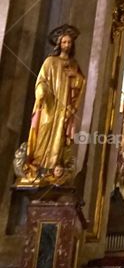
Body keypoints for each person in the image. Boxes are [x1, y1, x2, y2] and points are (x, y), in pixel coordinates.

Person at [17, 25, 86, 187]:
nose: (67, 45)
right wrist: (41, 91)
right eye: (64, 42)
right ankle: (38, 164)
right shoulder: (50, 62)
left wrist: (75, 77)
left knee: (59, 137)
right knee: (43, 132)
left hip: (64, 110)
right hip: (49, 107)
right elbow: (41, 80)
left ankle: (52, 168)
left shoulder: (73, 65)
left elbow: (81, 84)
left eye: (69, 42)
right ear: (59, 44)